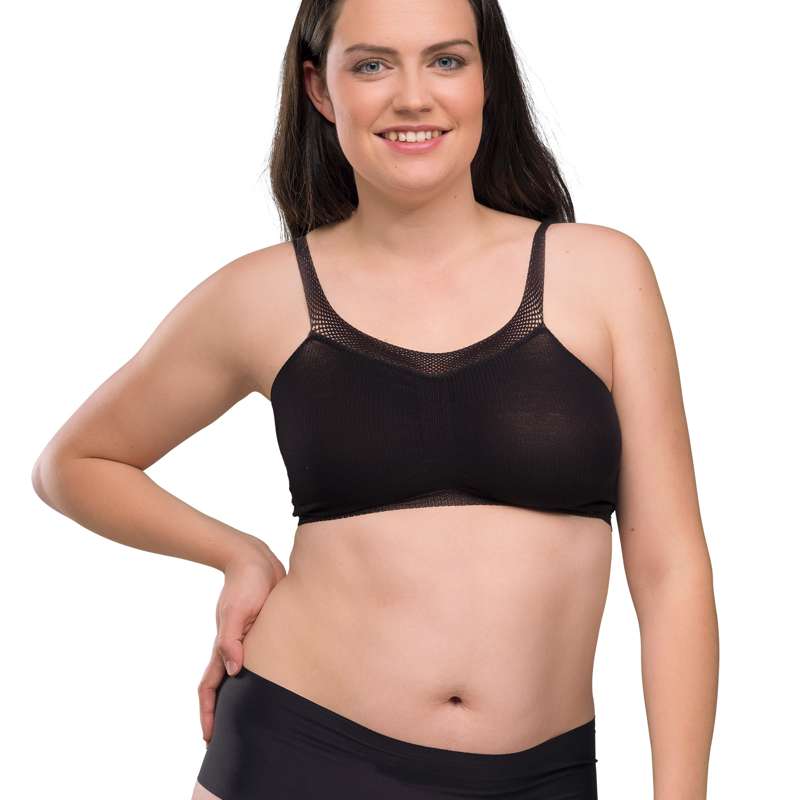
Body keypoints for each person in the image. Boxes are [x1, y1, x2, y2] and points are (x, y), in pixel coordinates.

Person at [31, 0, 719, 798]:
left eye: (447, 60)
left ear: (487, 78)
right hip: (297, 751)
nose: (413, 97)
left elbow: (671, 572)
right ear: (320, 89)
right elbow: (74, 463)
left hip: (541, 775)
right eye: (372, 65)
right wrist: (239, 553)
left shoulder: (601, 275)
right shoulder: (262, 296)